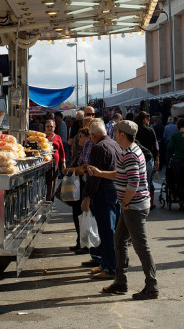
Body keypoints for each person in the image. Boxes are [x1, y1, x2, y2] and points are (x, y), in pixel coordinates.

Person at [89, 120, 158, 300]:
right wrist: (100, 173)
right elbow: (120, 175)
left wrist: (126, 203)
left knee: (141, 247)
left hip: (134, 206)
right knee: (119, 241)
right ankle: (120, 281)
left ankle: (151, 286)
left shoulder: (131, 154)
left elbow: (133, 183)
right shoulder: (128, 151)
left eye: (116, 131)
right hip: (132, 206)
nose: (113, 133)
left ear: (122, 134)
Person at [80, 118, 122, 281]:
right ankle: (106, 264)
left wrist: (88, 196)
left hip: (103, 191)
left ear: (93, 135)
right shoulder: (114, 144)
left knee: (107, 231)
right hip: (114, 189)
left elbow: (94, 175)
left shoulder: (99, 147)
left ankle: (110, 267)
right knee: (110, 230)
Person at [65, 127, 92, 252]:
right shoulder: (81, 148)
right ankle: (80, 241)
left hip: (84, 185)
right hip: (79, 184)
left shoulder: (89, 147)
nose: (78, 138)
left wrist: (68, 170)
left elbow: (83, 169)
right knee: (77, 214)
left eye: (81, 136)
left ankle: (84, 244)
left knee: (81, 215)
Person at [134, 111, 159, 206]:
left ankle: (137, 200)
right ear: (145, 120)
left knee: (136, 180)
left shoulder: (135, 130)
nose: (149, 121)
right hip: (149, 158)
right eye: (148, 119)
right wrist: (157, 159)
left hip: (136, 158)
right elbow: (156, 145)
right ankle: (146, 202)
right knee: (147, 181)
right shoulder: (150, 130)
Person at [44, 118, 67, 201]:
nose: (49, 128)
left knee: (52, 183)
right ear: (45, 127)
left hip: (54, 164)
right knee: (44, 183)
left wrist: (63, 162)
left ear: (54, 127)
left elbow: (62, 151)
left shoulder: (57, 137)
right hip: (43, 163)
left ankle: (49, 201)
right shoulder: (41, 137)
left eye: (51, 126)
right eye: (48, 126)